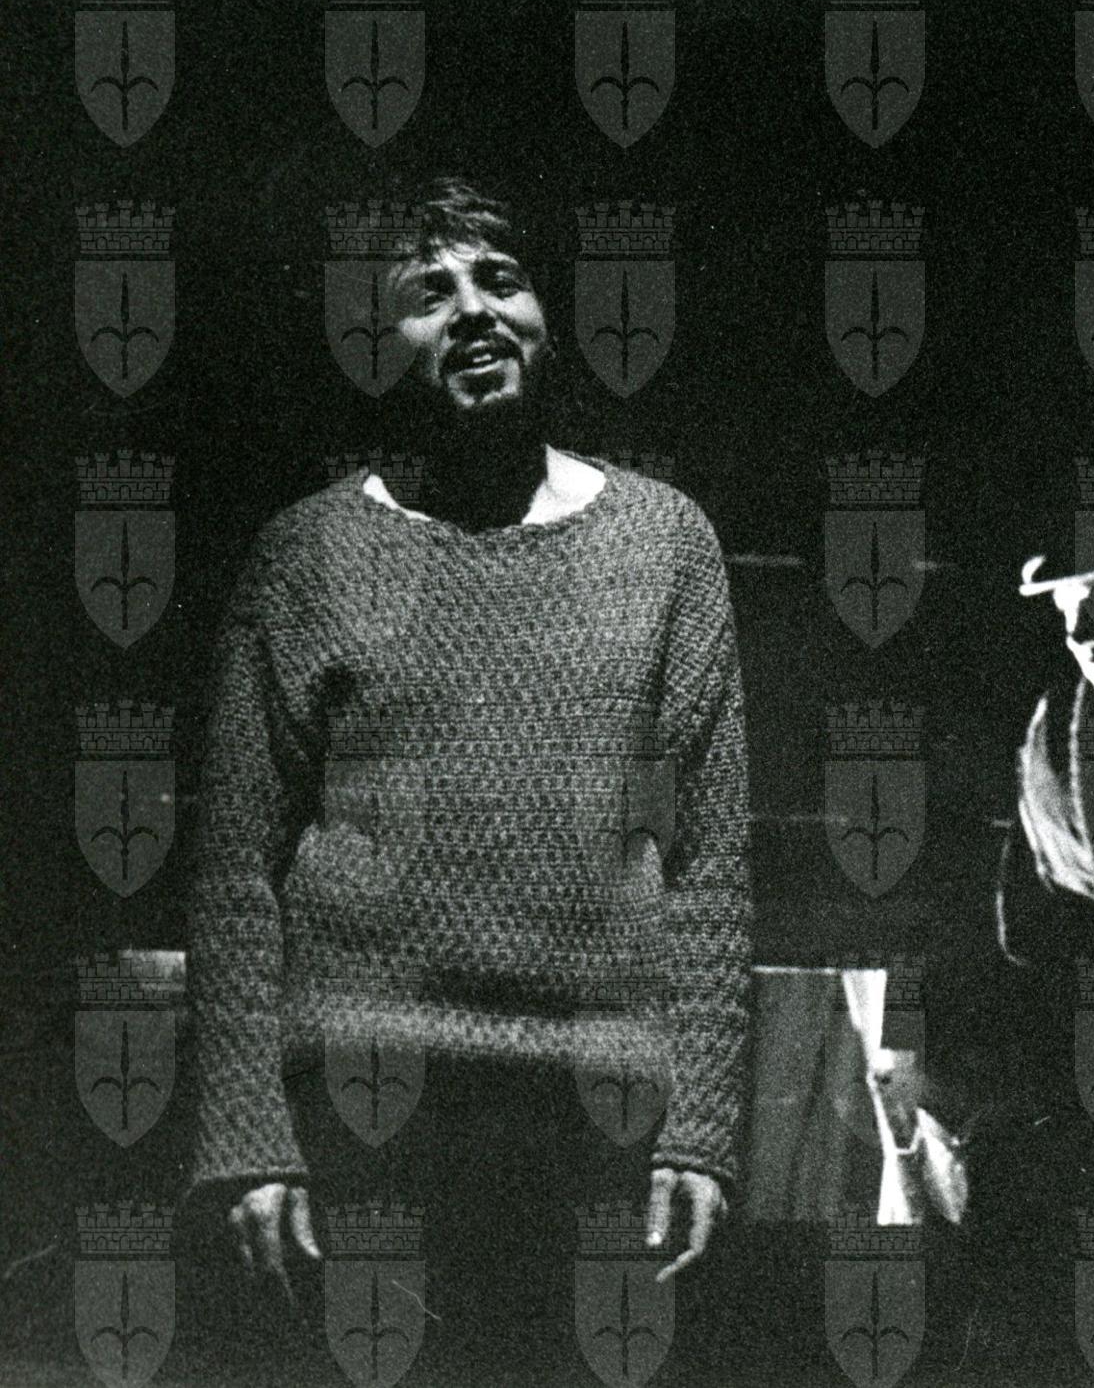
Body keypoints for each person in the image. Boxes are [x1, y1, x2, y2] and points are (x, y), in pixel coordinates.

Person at [182, 176, 750, 1384]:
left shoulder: (664, 544)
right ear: (377, 343)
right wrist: (249, 1137)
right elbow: (236, 868)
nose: (475, 311)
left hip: (598, 1113)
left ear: (546, 314)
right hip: (361, 1108)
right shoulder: (307, 552)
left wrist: (699, 1128)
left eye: (500, 280)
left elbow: (702, 861)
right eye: (427, 294)